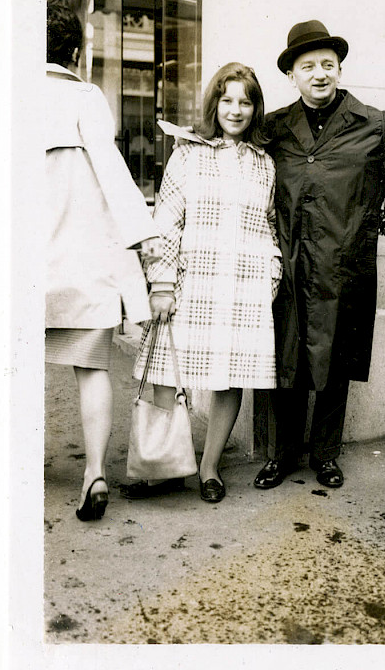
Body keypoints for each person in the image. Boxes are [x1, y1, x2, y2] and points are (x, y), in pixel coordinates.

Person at [253, 20, 385, 490]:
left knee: (333, 367)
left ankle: (326, 456)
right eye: (308, 67)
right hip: (286, 266)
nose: (319, 74)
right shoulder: (275, 129)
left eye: (327, 64)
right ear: (293, 75)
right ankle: (279, 456)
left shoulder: (375, 126)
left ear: (339, 69)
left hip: (344, 268)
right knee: (286, 363)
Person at [130, 63, 282, 504]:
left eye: (245, 102)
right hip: (191, 282)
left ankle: (209, 467)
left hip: (242, 288)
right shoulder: (188, 154)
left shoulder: (264, 165)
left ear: (255, 109)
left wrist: (269, 278)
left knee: (229, 378)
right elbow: (166, 224)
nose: (236, 110)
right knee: (165, 369)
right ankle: (162, 463)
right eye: (227, 100)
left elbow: (268, 226)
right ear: (214, 104)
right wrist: (162, 283)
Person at [44, 2, 161, 522]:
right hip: (81, 261)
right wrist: (143, 238)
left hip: (24, 264)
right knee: (91, 368)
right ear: (76, 52)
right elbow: (113, 174)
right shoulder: (84, 95)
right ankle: (93, 471)